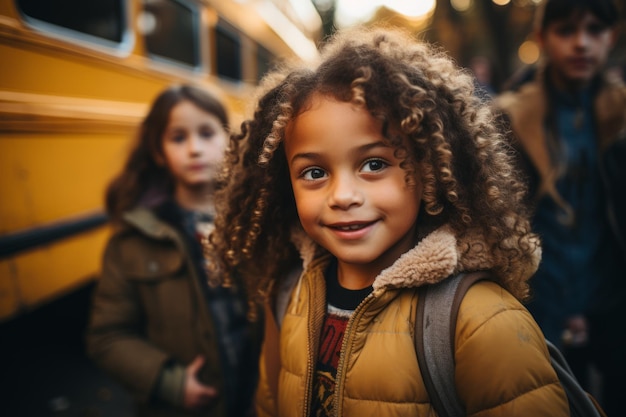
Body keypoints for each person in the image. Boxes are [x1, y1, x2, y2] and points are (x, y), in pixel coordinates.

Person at [207, 25, 571, 417]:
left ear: (429, 170)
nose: (343, 196)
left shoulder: (482, 323)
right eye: (314, 173)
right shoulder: (287, 297)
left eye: (374, 164)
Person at [86, 84, 263, 417]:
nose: (194, 148)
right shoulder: (132, 241)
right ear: (158, 152)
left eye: (207, 133)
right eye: (178, 138)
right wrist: (169, 382)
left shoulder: (258, 223)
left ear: (230, 140)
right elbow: (107, 336)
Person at [493, 1, 626, 414]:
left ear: (612, 36)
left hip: (613, 298)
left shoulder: (620, 115)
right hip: (540, 301)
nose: (581, 43)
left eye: (594, 30)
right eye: (567, 30)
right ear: (542, 37)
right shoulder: (510, 119)